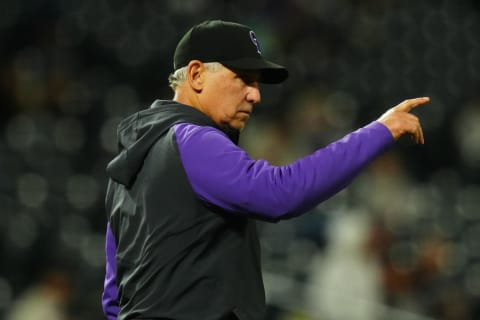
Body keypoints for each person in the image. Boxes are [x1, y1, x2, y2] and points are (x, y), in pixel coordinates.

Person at [102, 19, 430, 320]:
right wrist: (380, 130)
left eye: (257, 83)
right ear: (197, 74)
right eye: (243, 78)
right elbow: (279, 193)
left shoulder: (127, 166)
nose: (255, 94)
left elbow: (113, 298)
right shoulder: (192, 138)